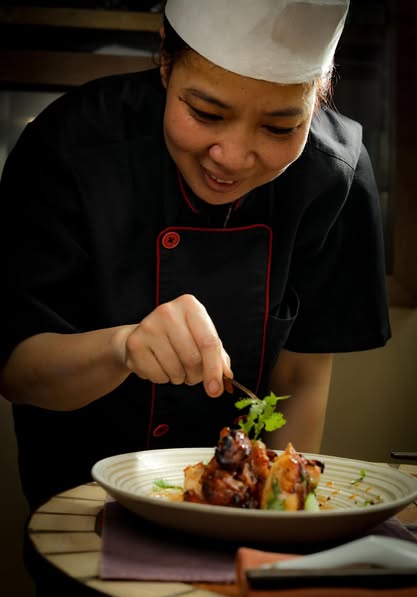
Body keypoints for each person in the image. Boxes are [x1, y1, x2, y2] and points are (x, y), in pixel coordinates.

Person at [0, 0, 390, 514]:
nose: (233, 156)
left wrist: (279, 518)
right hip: (80, 503)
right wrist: (122, 348)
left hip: (244, 513)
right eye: (206, 114)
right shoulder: (70, 146)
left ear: (319, 95)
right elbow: (16, 370)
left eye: (280, 127)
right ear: (166, 59)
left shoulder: (332, 174)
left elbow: (301, 380)